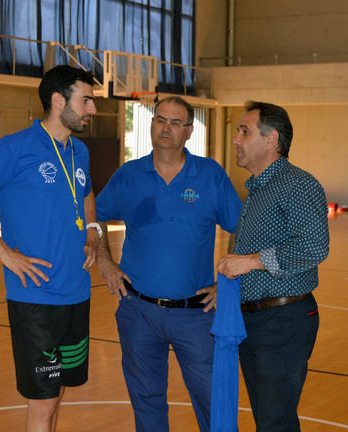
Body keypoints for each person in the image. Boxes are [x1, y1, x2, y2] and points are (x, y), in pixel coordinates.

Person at [0, 65, 101, 432]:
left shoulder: (79, 151)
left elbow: (87, 192)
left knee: (56, 394)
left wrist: (93, 230)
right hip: (36, 297)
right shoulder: (15, 148)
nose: (92, 110)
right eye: (87, 101)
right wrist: (4, 252)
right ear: (58, 100)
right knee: (43, 402)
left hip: (76, 293)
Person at [95, 96, 242, 431]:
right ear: (151, 124)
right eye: (160, 119)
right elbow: (94, 217)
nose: (166, 128)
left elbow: (241, 228)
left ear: (189, 131)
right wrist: (105, 260)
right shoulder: (129, 175)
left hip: (197, 315)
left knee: (213, 401)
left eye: (176, 123)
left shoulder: (209, 175)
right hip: (137, 311)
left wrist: (228, 284)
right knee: (146, 402)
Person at [218, 101, 330, 432]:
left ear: (271, 140)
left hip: (282, 321)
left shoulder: (297, 185)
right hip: (254, 320)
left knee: (275, 422)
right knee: (268, 419)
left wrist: (250, 261)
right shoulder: (257, 188)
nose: (236, 139)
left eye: (244, 131)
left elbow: (313, 247)